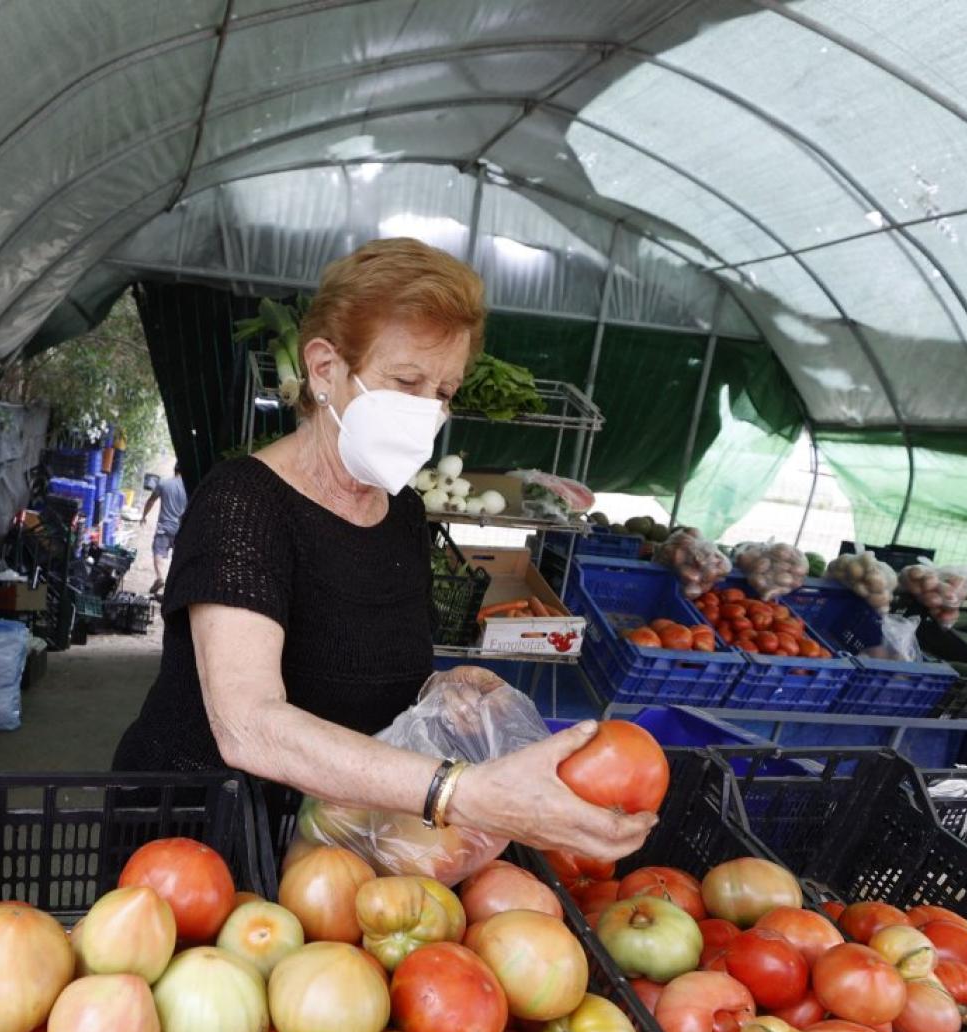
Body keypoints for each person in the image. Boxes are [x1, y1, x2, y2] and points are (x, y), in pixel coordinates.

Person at [112, 239, 651, 866]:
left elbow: (362, 676)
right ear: (323, 369)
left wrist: (443, 686)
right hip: (198, 837)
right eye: (405, 382)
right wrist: (456, 790)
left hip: (336, 839)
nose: (427, 411)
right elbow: (248, 724)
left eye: (444, 390)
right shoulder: (242, 504)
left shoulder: (402, 515)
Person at [140, 464, 187, 598]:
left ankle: (160, 577)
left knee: (158, 552)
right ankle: (174, 586)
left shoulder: (164, 483)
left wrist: (144, 516)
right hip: (181, 529)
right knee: (177, 558)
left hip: (164, 527)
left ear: (174, 470)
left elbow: (151, 501)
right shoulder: (189, 487)